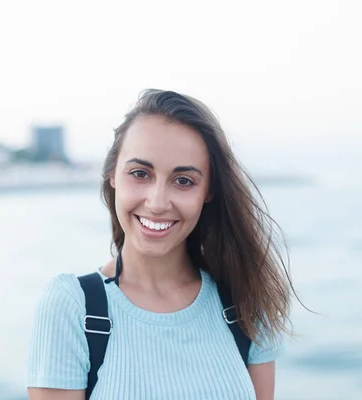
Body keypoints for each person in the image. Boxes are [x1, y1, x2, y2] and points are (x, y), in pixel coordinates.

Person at [26, 89, 295, 400]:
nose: (156, 203)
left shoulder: (244, 299)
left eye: (183, 180)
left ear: (208, 191)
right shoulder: (72, 306)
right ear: (113, 175)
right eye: (140, 173)